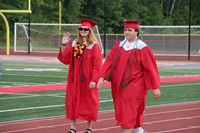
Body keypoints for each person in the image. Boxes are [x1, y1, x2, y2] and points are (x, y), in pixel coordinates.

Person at [97, 20, 161, 133]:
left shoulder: (143, 48)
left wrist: (155, 88)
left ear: (136, 32)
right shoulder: (119, 46)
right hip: (118, 86)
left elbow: (150, 68)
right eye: (125, 30)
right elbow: (109, 62)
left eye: (129, 30)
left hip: (135, 87)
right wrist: (101, 78)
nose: (126, 32)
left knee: (127, 116)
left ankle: (136, 129)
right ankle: (138, 130)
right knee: (124, 115)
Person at [58, 18, 102, 133]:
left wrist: (94, 80)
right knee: (72, 101)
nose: (82, 30)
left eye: (85, 29)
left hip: (88, 80)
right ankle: (72, 128)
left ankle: (89, 128)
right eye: (81, 29)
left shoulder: (94, 46)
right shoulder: (74, 44)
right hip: (74, 79)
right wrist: (63, 44)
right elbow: (65, 59)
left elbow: (97, 65)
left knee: (90, 102)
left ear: (89, 31)